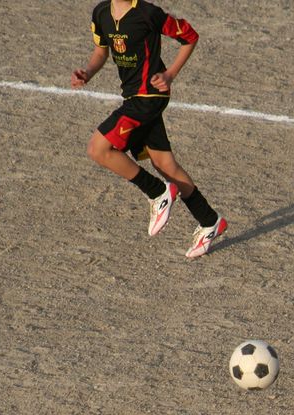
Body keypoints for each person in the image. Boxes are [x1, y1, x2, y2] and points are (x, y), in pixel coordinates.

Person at [71, 0, 227, 259]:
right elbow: (101, 52)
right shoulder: (101, 13)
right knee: (165, 164)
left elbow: (189, 36)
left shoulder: (147, 13)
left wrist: (170, 74)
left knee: (98, 148)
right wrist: (87, 72)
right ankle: (210, 221)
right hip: (134, 96)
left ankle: (157, 192)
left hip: (149, 96)